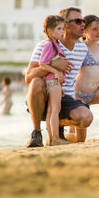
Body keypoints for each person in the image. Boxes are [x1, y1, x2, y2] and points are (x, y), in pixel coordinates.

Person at [25, 7, 92, 147]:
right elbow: (29, 77)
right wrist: (54, 65)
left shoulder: (83, 48)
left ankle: (57, 129)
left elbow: (88, 73)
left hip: (65, 97)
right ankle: (36, 133)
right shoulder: (44, 45)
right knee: (36, 82)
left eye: (83, 21)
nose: (83, 25)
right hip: (43, 96)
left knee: (86, 118)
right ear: (65, 25)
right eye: (78, 21)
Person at [38, 15, 69, 146]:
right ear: (50, 31)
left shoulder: (55, 44)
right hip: (53, 81)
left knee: (51, 110)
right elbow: (42, 63)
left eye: (63, 29)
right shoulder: (49, 44)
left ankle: (51, 139)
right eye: (59, 29)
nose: (63, 31)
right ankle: (56, 138)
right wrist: (56, 71)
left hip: (55, 82)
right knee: (56, 109)